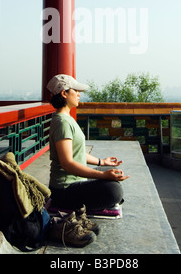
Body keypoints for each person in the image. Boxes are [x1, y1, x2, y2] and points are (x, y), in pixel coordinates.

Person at [47, 74, 129, 213]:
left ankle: (95, 202)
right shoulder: (62, 123)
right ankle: (82, 207)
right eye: (76, 91)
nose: (79, 94)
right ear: (64, 93)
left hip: (76, 183)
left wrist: (101, 162)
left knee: (111, 179)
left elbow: (77, 153)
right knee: (113, 190)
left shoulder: (67, 119)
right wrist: (103, 176)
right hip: (64, 190)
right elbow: (67, 163)